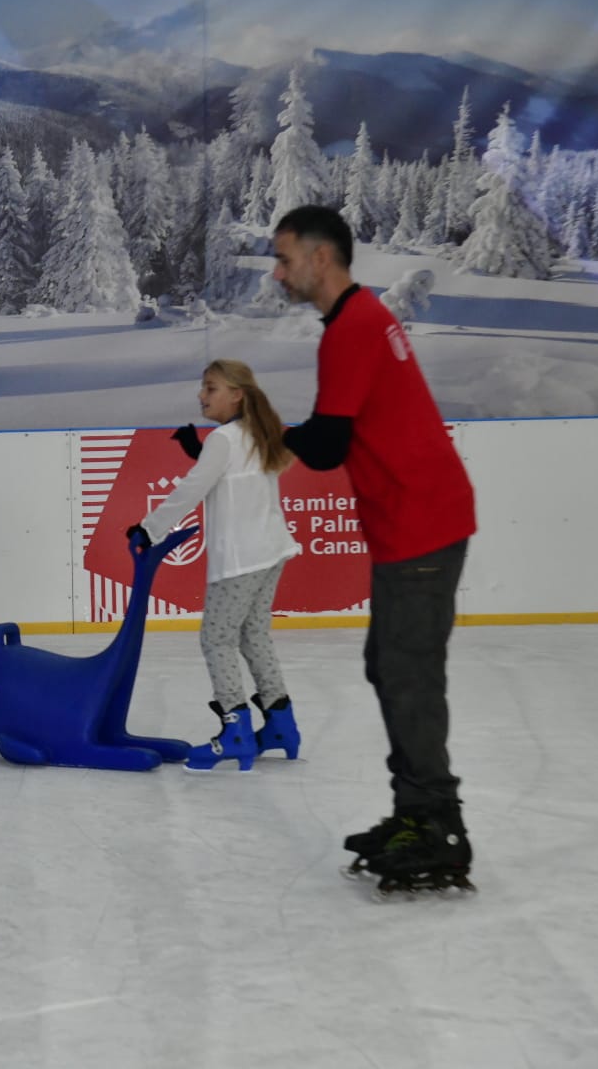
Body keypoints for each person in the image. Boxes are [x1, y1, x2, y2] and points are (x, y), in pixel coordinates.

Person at [272, 205, 477, 894]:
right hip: (415, 523)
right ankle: (416, 812)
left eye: (285, 258)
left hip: (420, 526)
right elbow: (339, 432)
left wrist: (261, 430)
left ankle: (439, 827)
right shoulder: (359, 320)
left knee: (408, 673)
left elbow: (328, 446)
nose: (279, 272)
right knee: (389, 666)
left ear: (320, 259)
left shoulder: (353, 328)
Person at [127, 360, 302, 773]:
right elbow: (233, 475)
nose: (202, 396)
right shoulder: (255, 433)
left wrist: (148, 529)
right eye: (202, 388)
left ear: (237, 393)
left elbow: (191, 490)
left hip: (242, 559)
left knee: (216, 639)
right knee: (253, 635)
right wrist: (200, 452)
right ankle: (280, 724)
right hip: (271, 551)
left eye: (211, 388)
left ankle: (235, 732)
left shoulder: (224, 439)